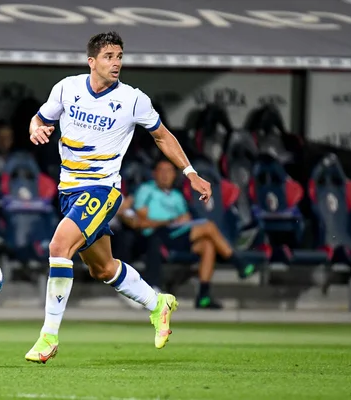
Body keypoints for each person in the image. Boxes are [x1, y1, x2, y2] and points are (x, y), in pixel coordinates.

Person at [24, 31, 212, 363]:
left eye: (120, 56)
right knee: (103, 268)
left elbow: (162, 136)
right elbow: (40, 118)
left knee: (58, 246)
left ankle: (48, 336)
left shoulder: (132, 99)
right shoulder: (66, 88)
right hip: (69, 191)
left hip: (102, 190)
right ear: (92, 61)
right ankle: (158, 304)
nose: (116, 63)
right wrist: (35, 128)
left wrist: (190, 172)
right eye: (109, 56)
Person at [128, 158, 256, 310]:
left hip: (178, 233)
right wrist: (172, 220)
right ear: (154, 174)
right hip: (158, 233)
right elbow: (142, 218)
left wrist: (182, 220)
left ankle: (203, 295)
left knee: (208, 245)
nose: (165, 175)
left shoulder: (177, 196)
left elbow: (186, 218)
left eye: (169, 171)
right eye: (161, 171)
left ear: (174, 175)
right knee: (208, 226)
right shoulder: (146, 190)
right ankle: (237, 261)